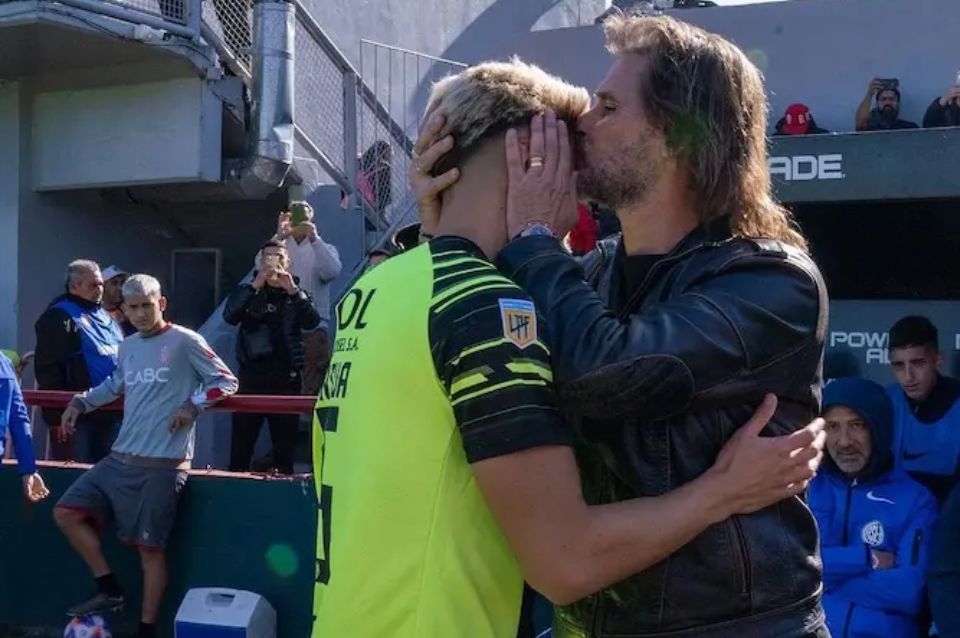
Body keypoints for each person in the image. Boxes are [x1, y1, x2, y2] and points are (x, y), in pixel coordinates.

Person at [312, 58, 825, 638]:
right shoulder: (492, 303)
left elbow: (598, 359)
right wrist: (721, 492)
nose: (586, 125)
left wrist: (458, 235)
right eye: (572, 137)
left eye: (608, 107)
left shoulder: (378, 286)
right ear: (531, 154)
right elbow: (566, 559)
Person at [52, 274, 238, 638]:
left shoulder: (185, 340)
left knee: (150, 552)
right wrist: (80, 402)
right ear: (123, 309)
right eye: (132, 307)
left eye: (146, 306)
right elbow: (115, 385)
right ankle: (108, 588)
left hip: (162, 466)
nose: (139, 314)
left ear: (161, 303)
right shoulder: (128, 346)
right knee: (65, 511)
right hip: (119, 458)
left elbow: (226, 380)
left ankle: (146, 630)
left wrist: (193, 404)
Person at [809, 377, 938, 638]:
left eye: (857, 425)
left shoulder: (916, 500)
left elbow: (908, 593)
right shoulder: (804, 487)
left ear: (879, 428)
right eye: (833, 426)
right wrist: (866, 559)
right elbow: (786, 572)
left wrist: (821, 581)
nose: (844, 441)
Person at [223, 240, 321, 474]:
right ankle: (235, 485)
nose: (273, 262)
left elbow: (312, 322)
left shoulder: (296, 292)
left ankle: (283, 486)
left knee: (284, 449)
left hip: (286, 379)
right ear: (260, 261)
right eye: (268, 257)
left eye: (279, 257)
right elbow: (230, 316)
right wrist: (254, 287)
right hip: (251, 378)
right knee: (241, 447)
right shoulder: (247, 290)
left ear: (287, 263)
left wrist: (293, 292)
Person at [35, 260, 124, 463]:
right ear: (75, 286)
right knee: (76, 474)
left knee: (111, 473)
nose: (99, 290)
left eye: (101, 284)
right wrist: (56, 416)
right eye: (93, 285)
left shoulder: (106, 316)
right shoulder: (59, 316)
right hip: (77, 416)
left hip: (112, 412)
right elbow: (48, 369)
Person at [886, 315, 960, 502]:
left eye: (918, 363)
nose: (908, 376)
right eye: (899, 365)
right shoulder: (885, 402)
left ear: (937, 360)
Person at [272, 204, 341, 397]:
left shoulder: (324, 248)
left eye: (304, 220)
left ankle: (310, 416)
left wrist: (314, 238)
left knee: (314, 383)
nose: (300, 225)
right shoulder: (280, 247)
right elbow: (262, 266)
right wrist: (279, 236)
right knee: (282, 382)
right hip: (281, 324)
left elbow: (332, 272)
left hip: (314, 327)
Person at [0, 351, 50, 502]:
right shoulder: (5, 365)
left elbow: (18, 418)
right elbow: (19, 419)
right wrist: (29, 468)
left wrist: (29, 469)